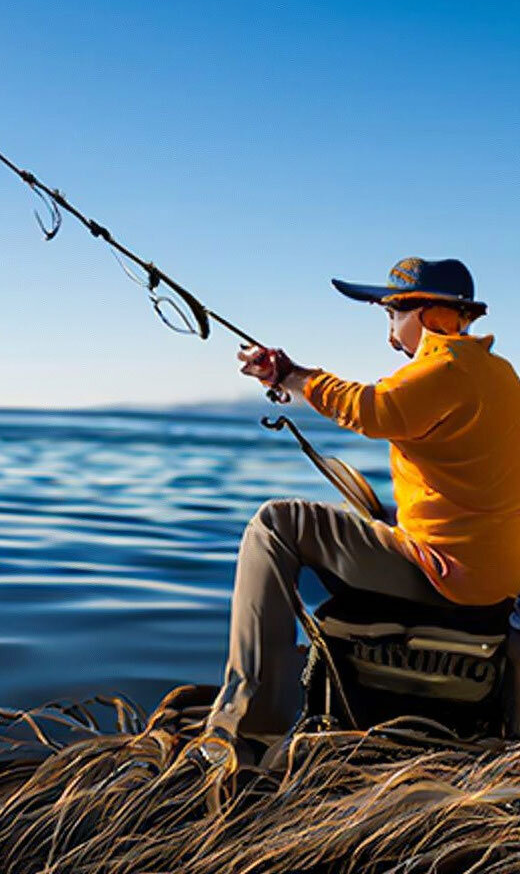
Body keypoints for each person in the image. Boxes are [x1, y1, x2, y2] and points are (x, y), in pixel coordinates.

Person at [191, 257, 520, 768]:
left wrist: (290, 374)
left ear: (426, 312)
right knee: (367, 513)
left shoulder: (446, 368)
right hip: (491, 577)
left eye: (391, 314)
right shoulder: (499, 375)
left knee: (276, 525)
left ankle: (244, 734)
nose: (390, 333)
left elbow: (371, 409)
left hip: (445, 574)